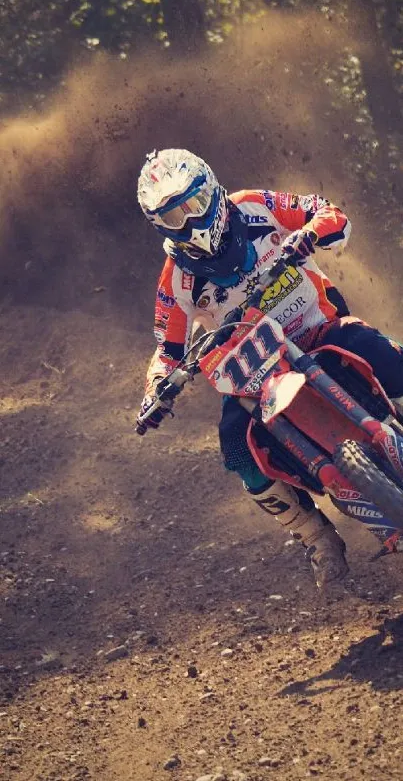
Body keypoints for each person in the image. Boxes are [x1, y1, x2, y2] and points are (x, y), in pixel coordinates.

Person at [135, 148, 403, 588]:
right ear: (159, 227)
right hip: (256, 371)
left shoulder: (255, 206)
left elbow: (325, 211)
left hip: (318, 329)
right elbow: (167, 348)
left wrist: (310, 235)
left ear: (212, 192)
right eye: (173, 218)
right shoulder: (176, 280)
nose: (189, 223)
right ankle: (317, 538)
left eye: (194, 206)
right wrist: (157, 387)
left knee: (380, 352)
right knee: (238, 450)